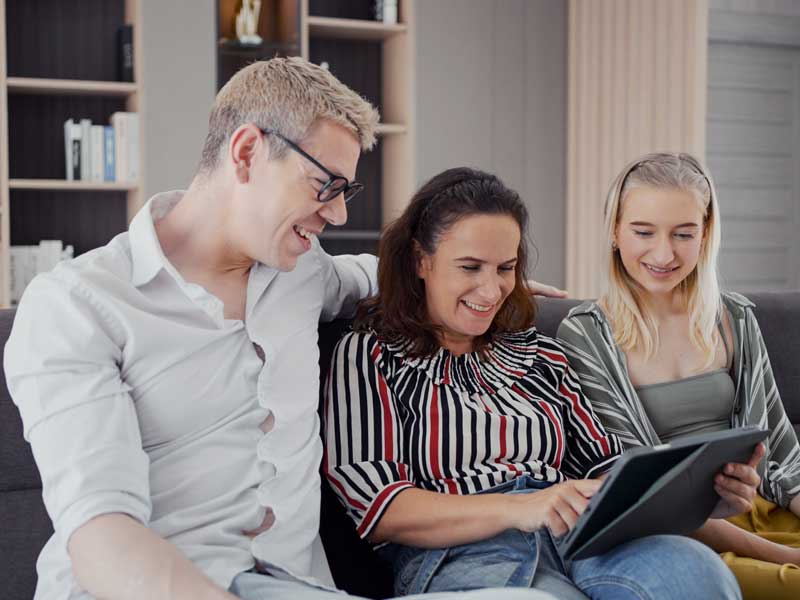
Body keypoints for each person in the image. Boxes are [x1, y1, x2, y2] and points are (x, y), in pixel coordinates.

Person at [4, 58, 560, 600]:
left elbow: (377, 276)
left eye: (348, 192)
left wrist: (486, 285)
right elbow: (102, 536)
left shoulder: (300, 270)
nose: (338, 214)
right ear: (246, 152)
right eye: (326, 184)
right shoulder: (78, 305)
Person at [324, 167, 744, 599]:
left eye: (506, 268)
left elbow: (604, 465)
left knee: (696, 576)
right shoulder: (370, 354)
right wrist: (521, 507)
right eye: (470, 267)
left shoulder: (541, 355)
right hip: (462, 554)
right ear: (420, 260)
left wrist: (700, 492)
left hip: (580, 534)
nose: (491, 290)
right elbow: (380, 509)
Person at [556, 152, 800, 600]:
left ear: (705, 234)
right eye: (643, 232)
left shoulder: (734, 317)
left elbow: (783, 455)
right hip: (686, 539)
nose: (663, 253)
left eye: (683, 234)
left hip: (764, 511)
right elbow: (641, 498)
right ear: (614, 231)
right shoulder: (588, 334)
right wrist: (786, 557)